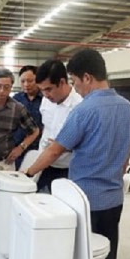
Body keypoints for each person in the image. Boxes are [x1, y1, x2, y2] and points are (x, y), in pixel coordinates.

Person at [24, 49, 130, 259]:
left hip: (86, 198)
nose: (75, 88)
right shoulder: (128, 108)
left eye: (75, 82)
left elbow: (55, 151)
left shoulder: (83, 110)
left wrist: (28, 172)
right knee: (106, 253)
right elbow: (127, 153)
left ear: (87, 77)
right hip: (114, 198)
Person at [34, 58, 82, 192]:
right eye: (42, 90)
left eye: (48, 89)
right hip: (44, 164)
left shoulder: (79, 106)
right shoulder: (46, 100)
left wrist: (67, 147)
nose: (45, 94)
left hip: (68, 170)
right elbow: (46, 128)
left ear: (62, 82)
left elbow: (87, 144)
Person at [13, 65, 43, 169]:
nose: (26, 84)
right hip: (17, 149)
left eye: (30, 81)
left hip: (38, 149)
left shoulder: (47, 99)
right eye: (23, 81)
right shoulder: (16, 99)